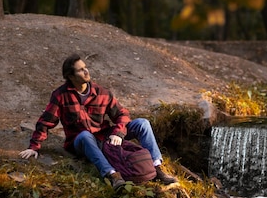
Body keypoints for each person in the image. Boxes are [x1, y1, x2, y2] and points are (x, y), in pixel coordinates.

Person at [19, 54, 177, 190]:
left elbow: (122, 114)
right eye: (81, 70)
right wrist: (34, 147)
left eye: (85, 67)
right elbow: (46, 121)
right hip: (80, 141)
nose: (86, 71)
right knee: (85, 135)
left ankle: (157, 169)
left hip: (106, 136)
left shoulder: (101, 92)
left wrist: (119, 133)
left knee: (143, 123)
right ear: (71, 76)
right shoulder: (60, 95)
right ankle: (112, 176)